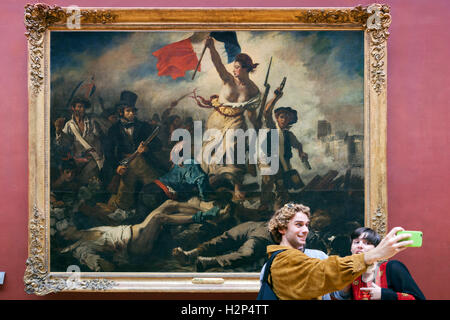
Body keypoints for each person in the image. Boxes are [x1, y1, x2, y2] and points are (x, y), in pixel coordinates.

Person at [265, 203, 414, 300]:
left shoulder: (392, 268)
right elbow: (323, 269)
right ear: (282, 228)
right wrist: (376, 253)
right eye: (298, 225)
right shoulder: (283, 260)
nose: (305, 230)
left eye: (307, 225)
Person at [60, 198, 229, 272]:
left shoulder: (87, 231)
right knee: (158, 218)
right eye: (65, 229)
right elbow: (102, 266)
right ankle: (206, 217)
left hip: (136, 229)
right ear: (66, 237)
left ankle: (214, 215)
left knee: (169, 204)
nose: (69, 226)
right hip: (136, 246)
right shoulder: (80, 249)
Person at [193, 37, 261, 201]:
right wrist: (211, 48)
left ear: (246, 69)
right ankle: (210, 182)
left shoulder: (253, 90)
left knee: (233, 147)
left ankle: (237, 186)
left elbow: (251, 113)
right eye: (234, 67)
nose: (234, 70)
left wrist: (257, 126)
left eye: (237, 67)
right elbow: (218, 64)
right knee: (210, 151)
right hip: (217, 118)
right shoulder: (228, 80)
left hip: (236, 120)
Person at [103, 90, 163, 211]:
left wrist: (146, 149)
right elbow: (108, 153)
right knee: (124, 194)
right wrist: (117, 167)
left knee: (156, 187)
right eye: (128, 111)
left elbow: (158, 145)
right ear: (121, 112)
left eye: (133, 111)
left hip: (143, 163)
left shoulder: (144, 126)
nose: (131, 114)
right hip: (124, 165)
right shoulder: (113, 130)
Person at [335, 227, 425, 300]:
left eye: (367, 243)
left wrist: (384, 294)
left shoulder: (392, 267)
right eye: (356, 242)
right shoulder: (353, 276)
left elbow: (418, 298)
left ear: (376, 248)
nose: (360, 246)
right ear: (351, 249)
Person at [260, 87, 308, 210]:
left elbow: (298, 145)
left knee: (282, 187)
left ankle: (280, 209)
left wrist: (301, 153)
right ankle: (264, 206)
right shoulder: (272, 127)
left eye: (287, 118)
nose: (284, 119)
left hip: (283, 164)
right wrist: (276, 97)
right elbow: (266, 111)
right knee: (268, 181)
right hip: (268, 161)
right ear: (277, 117)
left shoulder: (288, 135)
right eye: (282, 117)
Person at [172, 220, 271, 272]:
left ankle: (207, 262)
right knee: (224, 238)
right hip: (257, 225)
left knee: (247, 253)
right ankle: (190, 255)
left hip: (267, 235)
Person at [54, 96, 105, 185]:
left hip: (92, 159)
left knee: (91, 183)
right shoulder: (69, 125)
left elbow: (99, 140)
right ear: (73, 108)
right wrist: (58, 130)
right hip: (77, 161)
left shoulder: (92, 122)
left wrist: (95, 155)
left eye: (83, 107)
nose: (82, 109)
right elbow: (63, 143)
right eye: (79, 106)